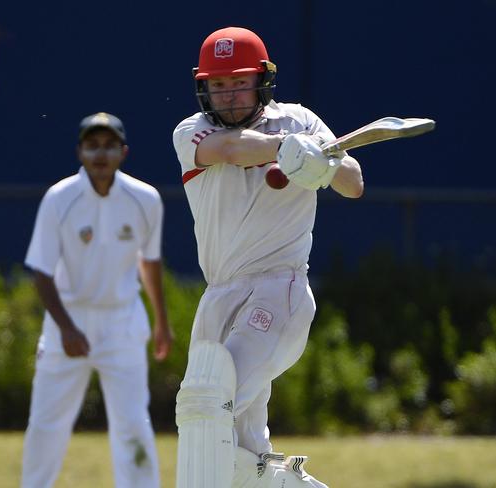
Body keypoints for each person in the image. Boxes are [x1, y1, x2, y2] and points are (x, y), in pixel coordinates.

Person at [172, 27, 363, 488]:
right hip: (218, 295)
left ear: (262, 80)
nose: (229, 96)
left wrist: (324, 161)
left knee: (208, 404)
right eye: (218, 85)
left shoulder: (301, 121)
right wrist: (285, 149)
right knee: (237, 450)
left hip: (280, 288)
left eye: (238, 82)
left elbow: (354, 182)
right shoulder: (193, 130)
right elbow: (234, 151)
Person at [21, 112, 173, 488]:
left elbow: (149, 262)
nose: (100, 154)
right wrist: (68, 329)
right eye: (92, 146)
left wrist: (161, 321)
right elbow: (41, 270)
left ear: (123, 152)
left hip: (122, 322)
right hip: (66, 321)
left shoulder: (145, 199)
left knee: (133, 425)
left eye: (109, 146)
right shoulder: (59, 199)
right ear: (80, 151)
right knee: (46, 424)